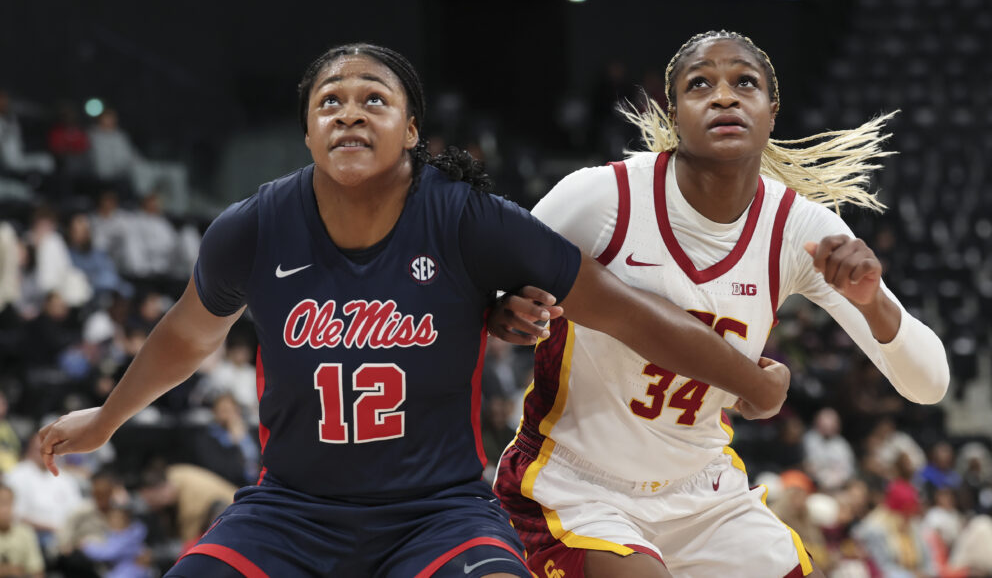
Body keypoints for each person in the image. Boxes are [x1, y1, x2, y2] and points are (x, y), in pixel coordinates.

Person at [37, 43, 789, 578]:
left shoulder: (465, 217)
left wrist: (749, 382)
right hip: (291, 511)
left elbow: (622, 310)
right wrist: (105, 418)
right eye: (328, 101)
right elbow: (189, 334)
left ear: (411, 131)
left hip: (438, 513)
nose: (349, 113)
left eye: (374, 99)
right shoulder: (254, 225)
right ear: (307, 132)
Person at [489, 30, 949, 578]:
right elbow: (494, 286)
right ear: (674, 113)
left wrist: (872, 303)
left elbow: (929, 385)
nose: (724, 96)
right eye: (700, 84)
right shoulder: (601, 197)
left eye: (744, 83)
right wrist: (505, 307)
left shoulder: (799, 228)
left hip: (703, 492)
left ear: (771, 111)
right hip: (576, 483)